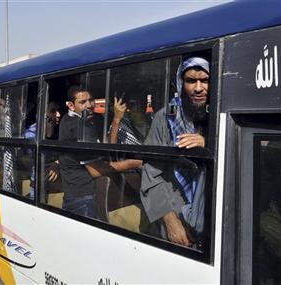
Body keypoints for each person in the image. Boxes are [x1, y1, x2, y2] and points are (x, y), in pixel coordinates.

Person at [140, 56, 210, 247]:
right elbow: (151, 172)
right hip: (178, 218)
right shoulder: (166, 118)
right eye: (190, 81)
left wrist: (209, 145)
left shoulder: (221, 117)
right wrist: (170, 220)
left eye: (204, 80)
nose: (198, 88)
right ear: (181, 83)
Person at [58, 86, 142, 218]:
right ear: (70, 105)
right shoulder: (77, 126)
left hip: (85, 193)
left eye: (91, 100)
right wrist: (134, 163)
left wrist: (116, 120)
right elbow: (96, 170)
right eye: (82, 102)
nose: (89, 105)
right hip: (83, 197)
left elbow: (109, 149)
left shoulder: (88, 120)